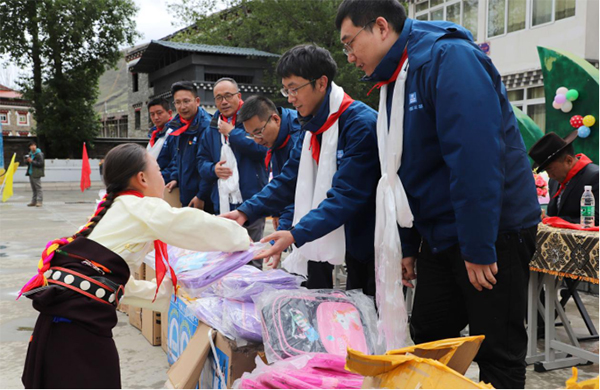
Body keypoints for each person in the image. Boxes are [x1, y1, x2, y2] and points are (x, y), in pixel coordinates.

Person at [335, 1, 540, 388]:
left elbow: (475, 158)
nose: (349, 57)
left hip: (493, 229)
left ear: (380, 27)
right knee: (429, 334)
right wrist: (410, 243)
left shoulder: (448, 58)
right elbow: (405, 170)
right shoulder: (395, 78)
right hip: (442, 232)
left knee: (497, 348)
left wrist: (478, 246)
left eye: (350, 44)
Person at [19, 143, 250, 389]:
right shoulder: (140, 206)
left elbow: (113, 285)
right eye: (159, 170)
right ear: (142, 178)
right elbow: (188, 223)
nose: (163, 177)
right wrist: (240, 236)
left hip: (59, 325)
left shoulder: (112, 210)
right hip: (78, 331)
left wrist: (165, 290)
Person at [222, 44, 380, 294]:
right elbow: (288, 180)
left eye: (294, 88)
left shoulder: (359, 124)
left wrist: (295, 233)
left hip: (369, 242)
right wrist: (245, 211)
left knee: (370, 316)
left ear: (321, 83)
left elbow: (346, 195)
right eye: (287, 90)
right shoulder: (311, 128)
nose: (290, 97)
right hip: (337, 236)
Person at [198, 78, 268, 245]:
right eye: (219, 98)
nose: (224, 102)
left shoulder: (253, 119)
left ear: (239, 96)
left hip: (252, 200)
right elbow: (201, 161)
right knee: (226, 258)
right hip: (222, 202)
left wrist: (233, 133)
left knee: (252, 256)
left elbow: (263, 150)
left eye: (228, 96)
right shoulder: (212, 128)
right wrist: (212, 169)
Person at [237, 95, 302, 268]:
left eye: (258, 132)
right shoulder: (277, 138)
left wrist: (282, 231)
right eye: (251, 135)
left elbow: (293, 186)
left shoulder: (298, 135)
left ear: (275, 119)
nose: (257, 140)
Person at [529, 131, 599, 224]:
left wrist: (554, 221)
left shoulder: (595, 177)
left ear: (568, 160)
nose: (550, 176)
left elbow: (596, 220)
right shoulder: (554, 181)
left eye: (550, 169)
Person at [162, 81, 213, 210]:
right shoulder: (179, 125)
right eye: (177, 102)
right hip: (186, 196)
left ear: (197, 101)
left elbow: (209, 164)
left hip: (204, 199)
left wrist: (201, 195)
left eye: (186, 101)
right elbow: (178, 157)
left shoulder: (206, 127)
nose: (182, 107)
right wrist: (175, 178)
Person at [146, 97, 173, 171]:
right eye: (152, 114)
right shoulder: (154, 133)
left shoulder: (174, 133)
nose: (156, 117)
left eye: (159, 113)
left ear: (169, 113)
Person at [25, 140, 44, 207]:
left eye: (34, 145)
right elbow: (28, 163)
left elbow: (41, 164)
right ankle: (33, 201)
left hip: (36, 173)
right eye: (31, 146)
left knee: (38, 188)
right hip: (31, 172)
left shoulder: (39, 154)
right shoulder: (30, 154)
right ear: (29, 147)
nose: (33, 147)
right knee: (33, 188)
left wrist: (32, 161)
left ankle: (39, 201)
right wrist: (27, 161)